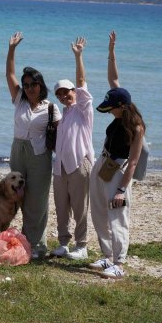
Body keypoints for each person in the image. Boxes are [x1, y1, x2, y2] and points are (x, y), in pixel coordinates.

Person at [88, 31, 145, 279]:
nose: (109, 111)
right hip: (103, 163)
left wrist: (122, 188)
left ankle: (119, 264)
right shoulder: (120, 101)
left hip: (119, 170)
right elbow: (114, 78)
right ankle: (107, 256)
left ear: (121, 107)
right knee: (99, 212)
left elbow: (133, 161)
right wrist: (111, 52)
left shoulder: (136, 127)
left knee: (118, 214)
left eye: (111, 109)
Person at [5, 31, 61, 258]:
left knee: (37, 199)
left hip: (39, 154)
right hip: (18, 150)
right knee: (18, 195)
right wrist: (12, 49)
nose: (28, 88)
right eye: (26, 84)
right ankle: (23, 239)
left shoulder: (51, 108)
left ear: (41, 85)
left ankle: (35, 245)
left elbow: (62, 135)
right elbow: (9, 73)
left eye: (32, 84)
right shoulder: (19, 100)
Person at [50, 37, 93, 260]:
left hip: (79, 164)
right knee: (62, 207)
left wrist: (78, 56)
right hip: (60, 167)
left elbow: (82, 80)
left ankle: (82, 246)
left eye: (67, 92)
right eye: (60, 94)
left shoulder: (83, 109)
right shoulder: (64, 114)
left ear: (74, 91)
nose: (64, 96)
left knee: (80, 208)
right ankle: (64, 243)